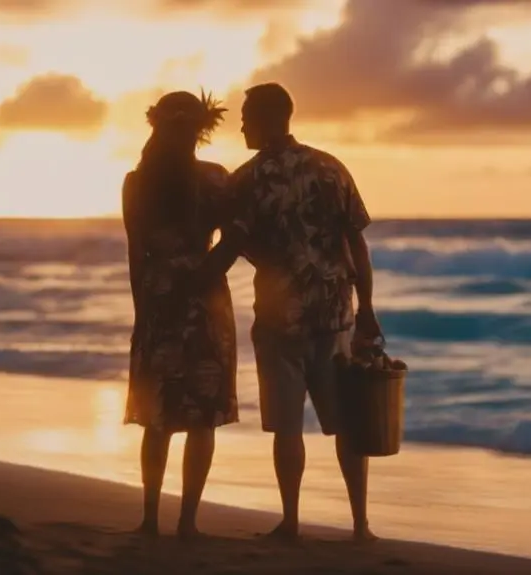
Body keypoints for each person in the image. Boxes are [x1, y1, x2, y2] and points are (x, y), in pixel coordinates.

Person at [195, 82, 383, 542]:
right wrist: (367, 309)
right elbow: (356, 243)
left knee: (287, 427)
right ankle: (360, 525)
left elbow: (235, 244)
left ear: (267, 119)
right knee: (347, 425)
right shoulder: (330, 168)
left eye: (246, 118)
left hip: (281, 318)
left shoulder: (247, 181)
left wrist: (194, 278)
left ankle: (292, 521)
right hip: (335, 314)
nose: (241, 126)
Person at [122, 91, 238, 540]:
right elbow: (236, 238)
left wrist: (142, 313)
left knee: (158, 416)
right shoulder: (215, 178)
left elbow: (136, 255)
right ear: (199, 131)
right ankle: (188, 522)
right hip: (206, 299)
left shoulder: (137, 183)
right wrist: (207, 271)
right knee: (201, 416)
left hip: (160, 296)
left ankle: (150, 519)